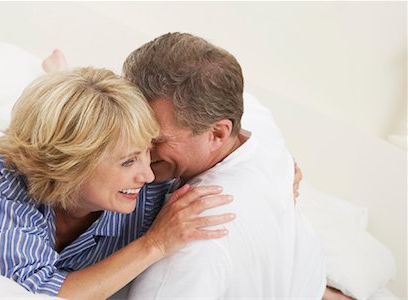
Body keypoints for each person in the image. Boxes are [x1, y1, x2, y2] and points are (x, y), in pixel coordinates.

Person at [0, 67, 236, 299]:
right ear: (70, 167)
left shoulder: (152, 193)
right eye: (128, 162)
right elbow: (42, 291)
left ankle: (58, 69)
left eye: (147, 152)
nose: (147, 175)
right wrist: (155, 244)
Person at [121, 32, 327, 299]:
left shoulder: (193, 240)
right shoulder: (256, 123)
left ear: (217, 133)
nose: (136, 146)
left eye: (155, 139)